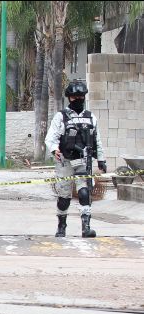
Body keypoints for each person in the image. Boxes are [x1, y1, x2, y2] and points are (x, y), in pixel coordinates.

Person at [45, 80, 107, 238]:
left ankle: (86, 227)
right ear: (69, 98)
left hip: (83, 161)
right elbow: (51, 138)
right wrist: (54, 149)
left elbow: (97, 140)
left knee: (84, 192)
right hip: (64, 162)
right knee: (64, 197)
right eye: (75, 97)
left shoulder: (90, 117)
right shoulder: (61, 116)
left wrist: (101, 159)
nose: (78, 99)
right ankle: (61, 226)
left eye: (81, 96)